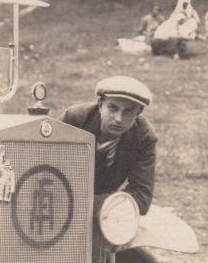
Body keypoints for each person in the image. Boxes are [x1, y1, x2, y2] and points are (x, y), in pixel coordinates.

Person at [60, 76, 156, 216]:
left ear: (138, 113)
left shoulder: (144, 136)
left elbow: (141, 198)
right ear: (100, 105)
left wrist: (82, 203)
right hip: (60, 202)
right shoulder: (74, 120)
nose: (118, 119)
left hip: (103, 214)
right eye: (112, 108)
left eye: (128, 111)